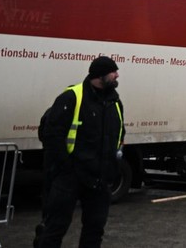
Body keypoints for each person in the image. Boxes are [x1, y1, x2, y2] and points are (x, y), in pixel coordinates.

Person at [35, 56, 125, 248]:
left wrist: (112, 167)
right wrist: (66, 168)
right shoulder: (72, 97)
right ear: (100, 75)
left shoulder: (115, 102)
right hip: (70, 178)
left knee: (94, 230)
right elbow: (52, 135)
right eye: (113, 71)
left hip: (100, 179)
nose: (117, 75)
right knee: (55, 228)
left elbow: (119, 134)